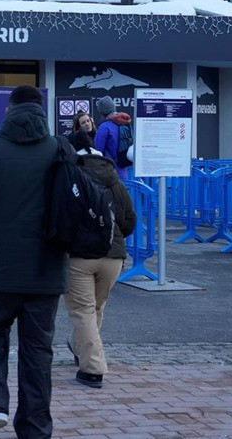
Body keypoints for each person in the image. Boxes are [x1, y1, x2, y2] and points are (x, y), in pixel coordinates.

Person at [0, 84, 66, 438]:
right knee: (38, 351)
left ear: (9, 110)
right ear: (42, 111)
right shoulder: (60, 150)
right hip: (46, 271)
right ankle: (35, 428)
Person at [63, 129, 138, 390]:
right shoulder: (114, 178)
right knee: (95, 308)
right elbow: (129, 220)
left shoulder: (69, 176)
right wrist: (114, 237)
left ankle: (92, 369)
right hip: (113, 255)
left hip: (79, 256)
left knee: (82, 311)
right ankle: (80, 348)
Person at [93, 96, 133, 180]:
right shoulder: (124, 123)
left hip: (109, 173)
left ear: (101, 112)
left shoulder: (104, 127)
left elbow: (97, 151)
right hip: (124, 171)